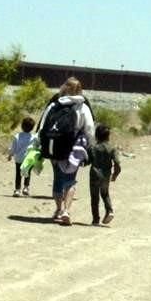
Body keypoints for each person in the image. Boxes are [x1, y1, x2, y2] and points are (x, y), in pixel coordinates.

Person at [37, 77, 95, 225]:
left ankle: (57, 209)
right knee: (70, 180)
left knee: (57, 178)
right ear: (80, 90)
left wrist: (39, 144)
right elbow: (89, 129)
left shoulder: (54, 105)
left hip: (53, 145)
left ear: (64, 88)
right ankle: (66, 211)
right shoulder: (82, 107)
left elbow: (43, 126)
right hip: (73, 149)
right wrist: (90, 146)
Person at [88, 124, 122, 225]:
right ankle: (109, 211)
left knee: (94, 197)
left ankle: (96, 219)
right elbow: (117, 163)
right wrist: (115, 174)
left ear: (96, 135)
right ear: (108, 136)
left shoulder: (93, 148)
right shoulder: (112, 148)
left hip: (94, 174)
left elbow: (88, 161)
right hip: (106, 175)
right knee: (105, 194)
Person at [8, 116, 35, 197]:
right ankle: (26, 188)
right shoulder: (33, 137)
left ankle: (17, 190)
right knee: (27, 173)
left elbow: (13, 147)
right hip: (29, 159)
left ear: (22, 126)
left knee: (18, 174)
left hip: (19, 158)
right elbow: (35, 147)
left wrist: (10, 155)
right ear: (32, 128)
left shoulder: (17, 136)